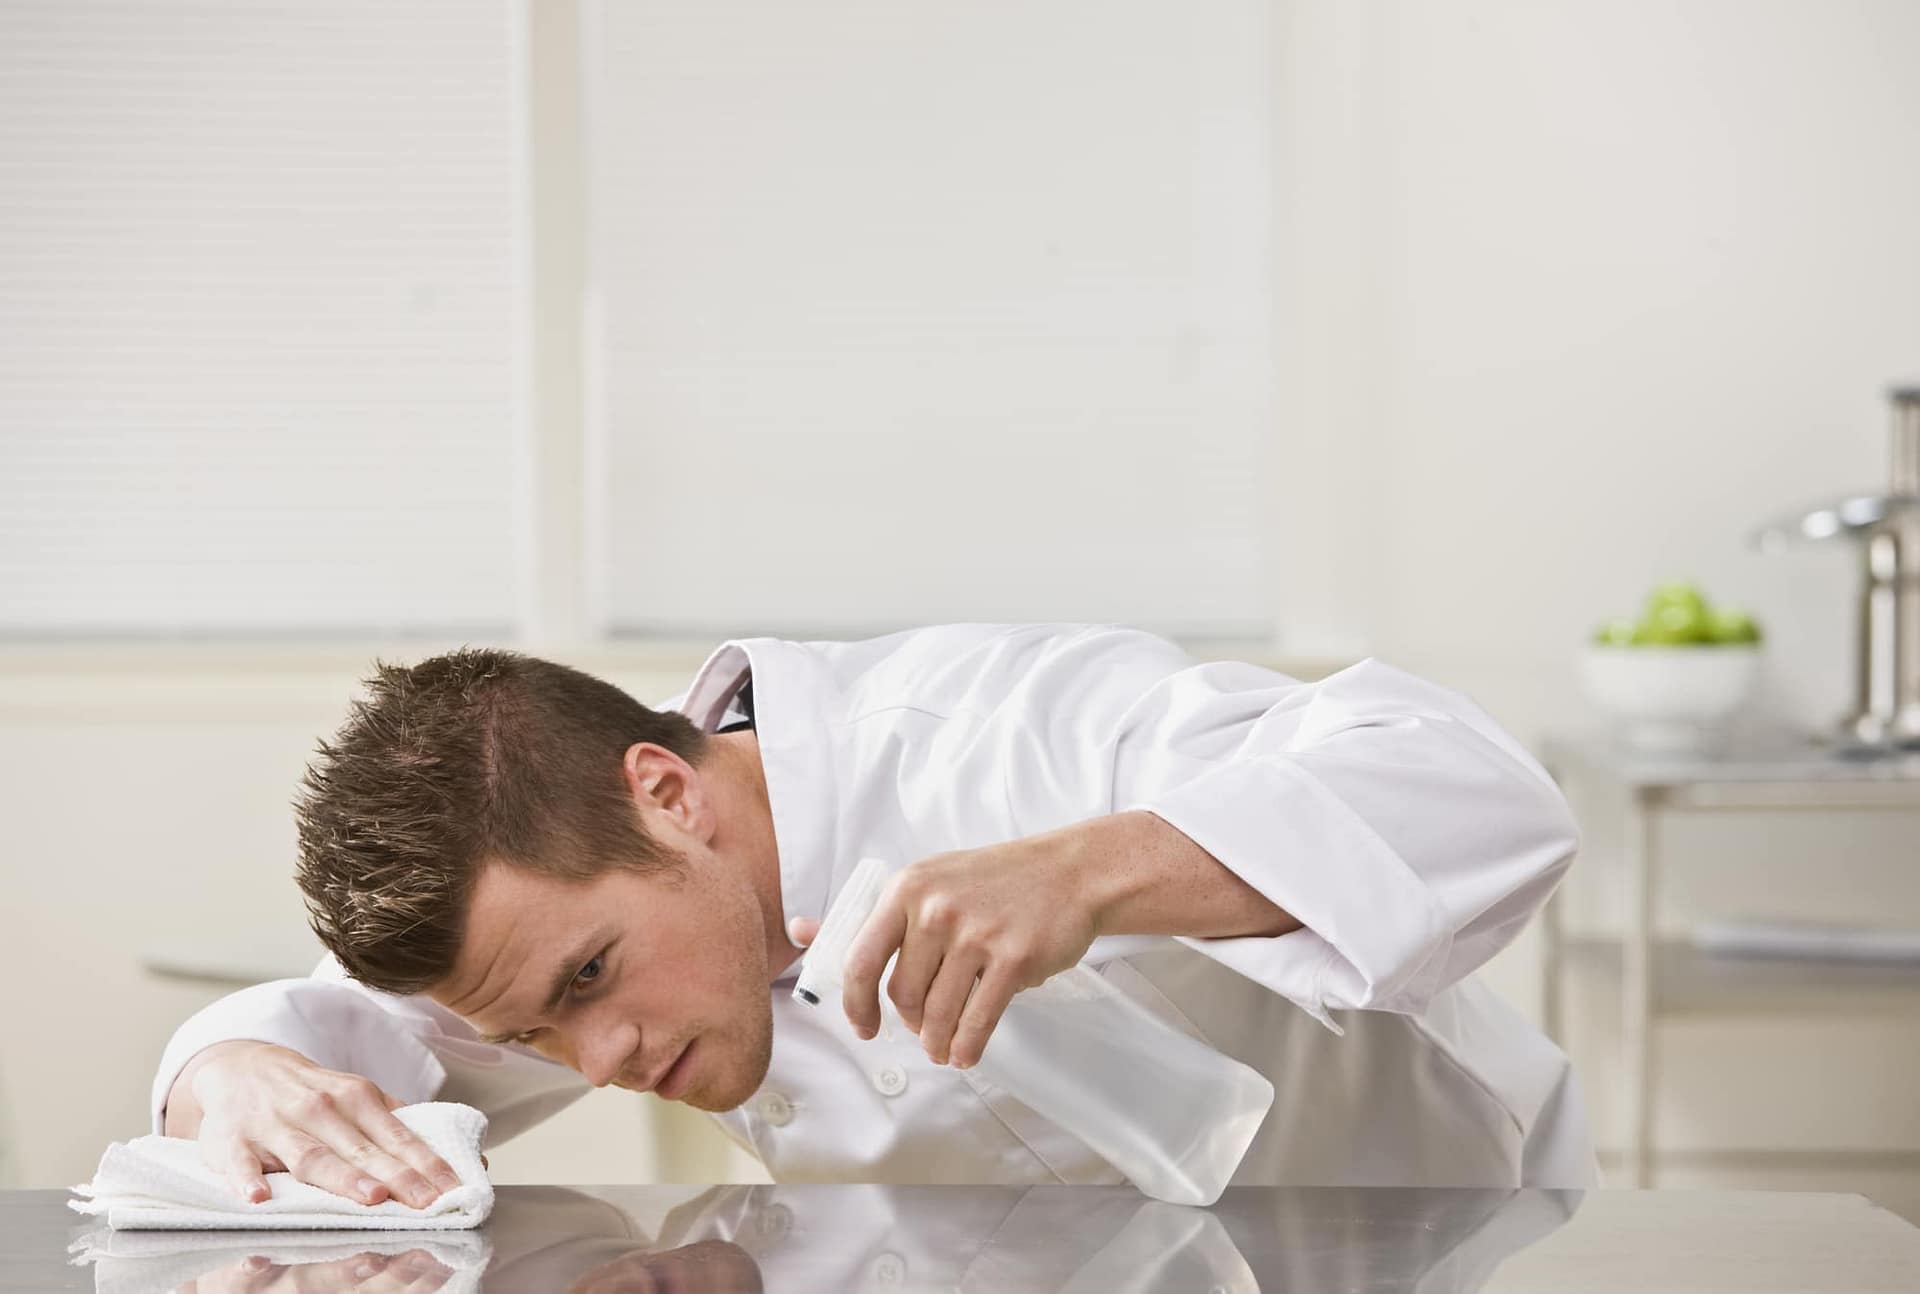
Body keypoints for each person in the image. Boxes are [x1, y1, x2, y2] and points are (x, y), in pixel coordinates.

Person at [152, 623, 1594, 1210]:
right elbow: (334, 1041)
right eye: (534, 1032)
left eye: (590, 978)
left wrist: (1094, 869)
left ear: (667, 793)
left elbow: (1479, 791)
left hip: (1438, 1242)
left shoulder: (1010, 735)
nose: (597, 1061)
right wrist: (230, 1070)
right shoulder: (550, 950)